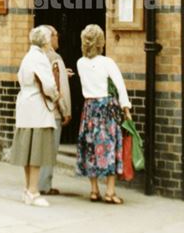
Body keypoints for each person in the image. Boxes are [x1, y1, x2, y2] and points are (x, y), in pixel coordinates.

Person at [76, 23, 131, 204]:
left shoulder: (80, 63)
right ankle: (110, 191)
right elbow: (120, 86)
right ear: (101, 42)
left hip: (89, 108)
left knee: (91, 147)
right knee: (109, 147)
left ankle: (93, 190)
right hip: (107, 108)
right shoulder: (107, 62)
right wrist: (126, 108)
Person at [8, 25, 61, 207]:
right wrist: (55, 96)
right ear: (46, 41)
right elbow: (48, 85)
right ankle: (33, 191)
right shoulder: (40, 58)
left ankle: (28, 189)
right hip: (37, 108)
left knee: (27, 150)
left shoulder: (28, 56)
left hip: (25, 106)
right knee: (36, 151)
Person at [37, 26, 73, 196]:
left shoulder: (37, 56)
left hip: (37, 110)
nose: (58, 38)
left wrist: (62, 73)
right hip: (53, 111)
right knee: (50, 150)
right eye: (56, 35)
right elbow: (61, 89)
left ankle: (35, 183)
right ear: (50, 37)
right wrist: (66, 111)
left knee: (38, 147)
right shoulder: (55, 58)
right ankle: (44, 185)